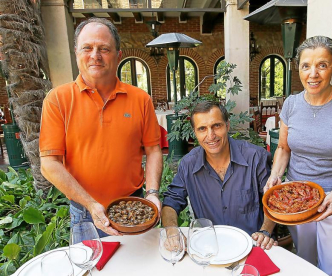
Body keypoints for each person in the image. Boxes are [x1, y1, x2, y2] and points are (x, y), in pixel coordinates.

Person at [39, 18, 163, 237]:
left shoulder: (140, 99)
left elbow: (153, 150)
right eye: (87, 48)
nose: (95, 55)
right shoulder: (58, 99)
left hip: (133, 208)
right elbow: (49, 163)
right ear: (76, 52)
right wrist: (90, 204)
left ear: (118, 56)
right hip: (85, 213)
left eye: (104, 49)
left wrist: (152, 193)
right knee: (92, 269)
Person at [265, 36, 332, 276]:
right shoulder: (291, 104)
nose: (313, 74)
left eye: (322, 65)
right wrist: (275, 175)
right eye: (306, 66)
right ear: (298, 68)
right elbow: (283, 148)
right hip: (298, 200)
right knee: (305, 260)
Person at [161, 101, 277, 250]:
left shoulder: (255, 157)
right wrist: (172, 231)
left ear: (227, 126)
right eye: (202, 129)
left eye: (217, 126)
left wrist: (265, 231)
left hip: (254, 247)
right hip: (209, 249)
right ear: (195, 133)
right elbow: (171, 201)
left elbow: (273, 200)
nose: (211, 135)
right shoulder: (188, 165)